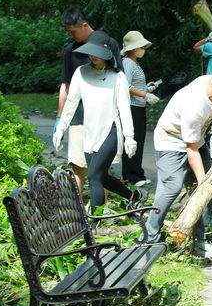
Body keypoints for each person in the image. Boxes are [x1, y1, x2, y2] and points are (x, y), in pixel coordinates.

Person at [144, 61, 212, 259]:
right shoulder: (195, 104)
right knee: (172, 187)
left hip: (195, 140)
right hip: (171, 141)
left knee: (207, 193)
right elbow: (190, 150)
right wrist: (203, 182)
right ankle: (149, 237)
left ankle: (202, 240)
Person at [53, 31, 145, 214]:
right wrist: (60, 128)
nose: (93, 56)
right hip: (90, 133)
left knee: (94, 176)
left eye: (97, 53)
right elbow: (71, 103)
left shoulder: (117, 77)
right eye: (90, 53)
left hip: (110, 131)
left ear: (106, 55)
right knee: (101, 176)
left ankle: (95, 221)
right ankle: (135, 197)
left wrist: (129, 137)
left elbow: (124, 109)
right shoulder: (80, 73)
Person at [57, 7, 123, 194]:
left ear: (84, 25)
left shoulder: (109, 44)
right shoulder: (71, 50)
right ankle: (79, 210)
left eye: (73, 31)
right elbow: (66, 85)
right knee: (77, 165)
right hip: (79, 117)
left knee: (101, 167)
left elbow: (119, 80)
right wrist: (59, 118)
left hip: (104, 118)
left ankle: (102, 211)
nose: (71, 35)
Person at [121, 30, 160, 187]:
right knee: (134, 141)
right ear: (133, 48)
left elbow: (134, 85)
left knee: (139, 141)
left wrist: (147, 88)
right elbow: (126, 85)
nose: (143, 49)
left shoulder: (134, 63)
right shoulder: (128, 63)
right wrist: (145, 95)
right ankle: (131, 176)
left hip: (138, 106)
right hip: (132, 107)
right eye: (141, 47)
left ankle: (136, 173)